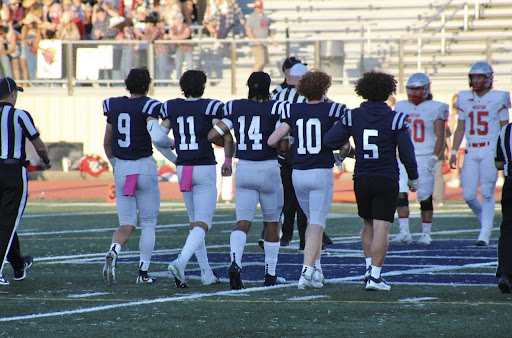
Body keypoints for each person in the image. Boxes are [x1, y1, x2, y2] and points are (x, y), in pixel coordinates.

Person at [324, 71, 419, 291]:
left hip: (362, 176)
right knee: (382, 228)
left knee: (367, 223)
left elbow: (330, 139)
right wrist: (413, 177)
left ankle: (369, 269)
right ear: (389, 91)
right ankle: (375, 276)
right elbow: (407, 152)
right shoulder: (395, 118)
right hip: (386, 176)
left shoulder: (353, 115)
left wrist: (348, 149)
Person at [268, 70, 347, 289]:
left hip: (297, 172)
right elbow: (344, 143)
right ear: (325, 87)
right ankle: (306, 271)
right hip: (319, 171)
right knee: (316, 223)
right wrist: (340, 156)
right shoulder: (334, 109)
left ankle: (317, 270)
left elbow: (273, 139)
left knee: (313, 222)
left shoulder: (293, 109)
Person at [208, 72, 286, 289]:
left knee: (243, 222)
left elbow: (213, 135)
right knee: (271, 223)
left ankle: (235, 262)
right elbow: (283, 146)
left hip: (244, 168)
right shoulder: (276, 108)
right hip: (269, 168)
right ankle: (270, 275)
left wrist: (231, 145)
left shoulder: (235, 107)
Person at [102, 67, 176, 284]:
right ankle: (143, 273)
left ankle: (114, 250)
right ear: (147, 85)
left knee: (126, 223)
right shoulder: (150, 105)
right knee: (149, 223)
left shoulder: (113, 105)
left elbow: (107, 142)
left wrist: (116, 164)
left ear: (127, 84)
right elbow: (157, 137)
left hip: (123, 168)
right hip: (143, 167)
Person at [161, 69, 233, 288]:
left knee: (195, 222)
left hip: (184, 168)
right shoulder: (210, 106)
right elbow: (226, 136)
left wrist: (174, 155)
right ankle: (181, 262)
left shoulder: (172, 106)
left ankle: (206, 272)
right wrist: (228, 160)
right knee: (203, 222)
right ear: (203, 85)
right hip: (202, 166)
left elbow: (157, 136)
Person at [270, 62, 333, 250]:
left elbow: (273, 131)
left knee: (287, 197)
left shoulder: (278, 94)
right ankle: (307, 243)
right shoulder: (322, 102)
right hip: (312, 156)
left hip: (289, 152)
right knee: (309, 208)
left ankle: (282, 235)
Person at [449, 61, 510, 246]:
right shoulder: (464, 97)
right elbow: (460, 128)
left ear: (489, 78)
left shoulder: (499, 98)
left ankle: (484, 233)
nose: (475, 80)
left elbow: (504, 128)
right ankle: (486, 220)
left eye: (479, 77)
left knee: (488, 193)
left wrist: (504, 152)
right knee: (468, 194)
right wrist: (453, 151)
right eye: (473, 77)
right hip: (471, 149)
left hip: (490, 149)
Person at [0, 76, 51, 285]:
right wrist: (46, 161)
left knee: (5, 221)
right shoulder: (19, 115)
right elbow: (38, 145)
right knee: (7, 222)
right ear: (13, 94)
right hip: (12, 170)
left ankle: (19, 264)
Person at [389, 73, 448, 246]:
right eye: (411, 89)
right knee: (400, 193)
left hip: (424, 157)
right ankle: (404, 232)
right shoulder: (401, 106)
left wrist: (434, 157)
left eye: (417, 89)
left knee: (424, 196)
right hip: (405, 156)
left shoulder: (436, 107)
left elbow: (440, 136)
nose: (413, 92)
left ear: (426, 89)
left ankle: (426, 233)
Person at [495, 122, 512, 293]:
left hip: (510, 182)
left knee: (507, 228)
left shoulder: (506, 130)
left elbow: (499, 163)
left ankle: (505, 273)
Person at [245, 0, 277, 72]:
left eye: (259, 7)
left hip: (264, 43)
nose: (258, 9)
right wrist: (255, 41)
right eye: (256, 7)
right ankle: (251, 81)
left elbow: (267, 29)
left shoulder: (264, 16)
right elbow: (248, 31)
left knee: (263, 63)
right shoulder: (252, 17)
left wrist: (273, 40)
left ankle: (259, 80)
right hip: (256, 44)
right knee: (259, 63)